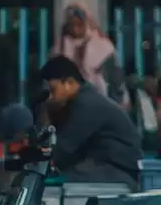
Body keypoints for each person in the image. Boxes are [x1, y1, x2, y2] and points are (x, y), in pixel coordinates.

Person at [39, 56, 142, 190]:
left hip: (117, 171)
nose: (50, 98)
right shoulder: (81, 101)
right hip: (104, 167)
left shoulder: (86, 104)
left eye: (53, 90)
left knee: (57, 185)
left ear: (69, 83)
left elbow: (62, 150)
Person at [54, 3, 127, 107]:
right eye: (72, 26)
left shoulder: (102, 47)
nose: (75, 29)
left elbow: (116, 80)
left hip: (99, 100)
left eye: (79, 25)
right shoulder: (61, 47)